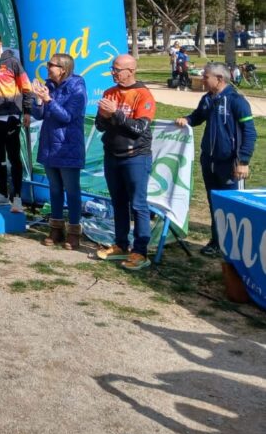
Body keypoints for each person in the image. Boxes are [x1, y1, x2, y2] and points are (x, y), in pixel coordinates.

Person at [174, 61, 257, 257]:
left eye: (205, 77)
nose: (202, 79)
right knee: (215, 203)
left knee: (233, 205)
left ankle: (236, 248)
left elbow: (250, 132)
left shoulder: (236, 101)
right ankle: (217, 241)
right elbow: (197, 116)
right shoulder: (207, 99)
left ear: (219, 79)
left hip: (231, 164)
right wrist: (187, 120)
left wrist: (243, 161)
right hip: (209, 162)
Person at [94, 54, 156, 271]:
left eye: (117, 70)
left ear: (131, 71)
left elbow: (139, 129)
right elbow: (99, 126)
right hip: (112, 154)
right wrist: (104, 116)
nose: (113, 73)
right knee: (118, 202)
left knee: (138, 204)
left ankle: (140, 251)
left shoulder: (143, 94)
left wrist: (116, 114)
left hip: (136, 156)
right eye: (112, 69)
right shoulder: (109, 93)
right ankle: (121, 244)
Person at [32, 53, 87, 250]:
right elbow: (39, 115)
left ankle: (74, 231)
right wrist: (38, 100)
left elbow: (67, 117)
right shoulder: (49, 85)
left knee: (71, 190)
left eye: (51, 65)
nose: (47, 67)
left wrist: (48, 100)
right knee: (54, 189)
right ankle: (56, 228)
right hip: (49, 144)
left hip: (67, 145)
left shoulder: (77, 86)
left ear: (63, 69)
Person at [0, 31, 32, 212]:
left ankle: (17, 198)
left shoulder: (12, 62)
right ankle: (2, 194)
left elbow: (26, 87)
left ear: (0, 44)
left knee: (14, 157)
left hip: (10, 116)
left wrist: (27, 111)